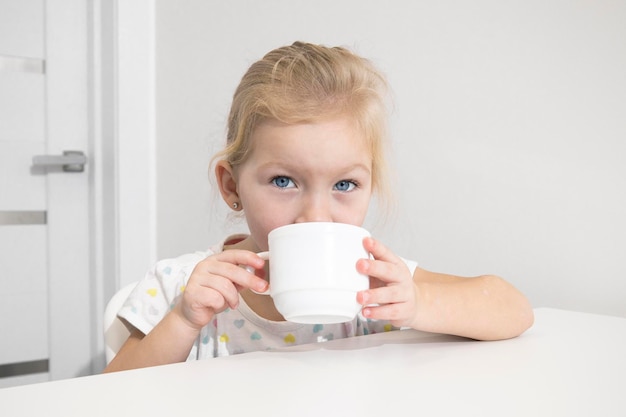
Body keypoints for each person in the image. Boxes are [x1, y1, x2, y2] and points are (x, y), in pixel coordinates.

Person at [104, 41, 533, 372]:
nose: (316, 215)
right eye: (284, 181)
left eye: (345, 183)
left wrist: (417, 303)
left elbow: (514, 308)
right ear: (231, 185)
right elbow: (109, 397)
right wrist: (182, 320)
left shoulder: (374, 282)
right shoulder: (184, 286)